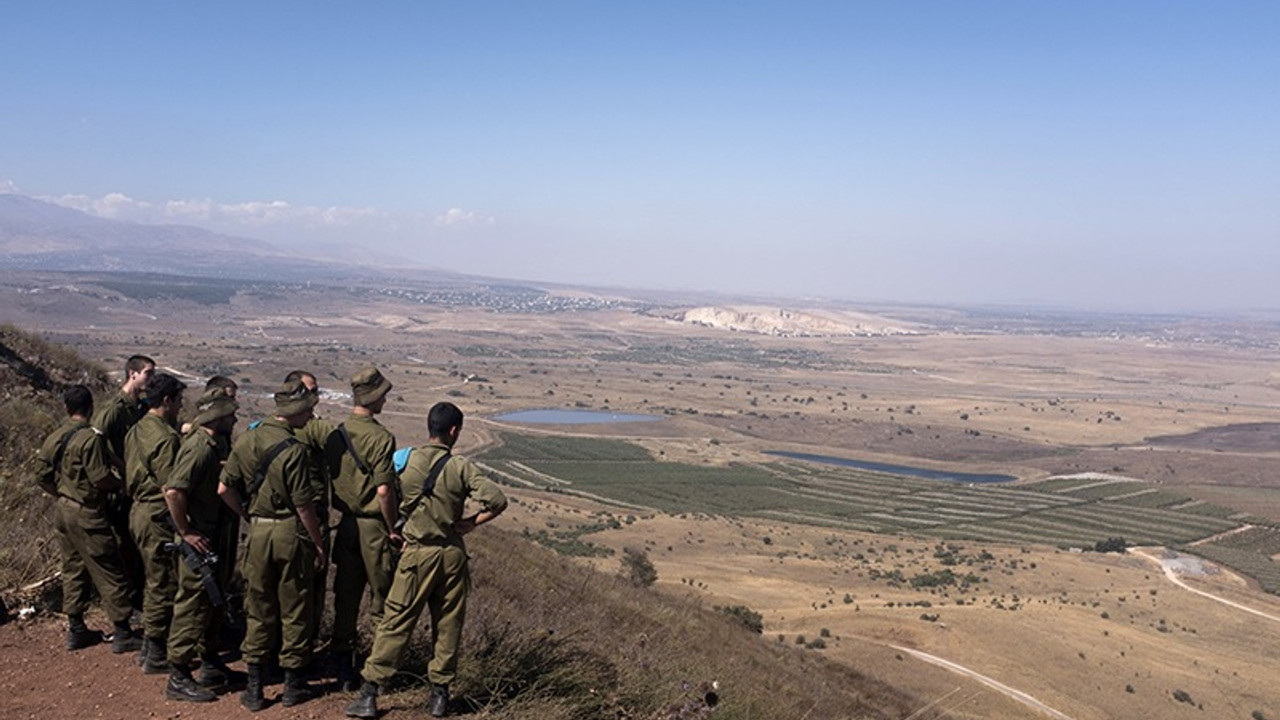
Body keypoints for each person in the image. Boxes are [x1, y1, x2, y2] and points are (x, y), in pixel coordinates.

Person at [345, 402, 507, 719]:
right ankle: (439, 697)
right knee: (447, 625)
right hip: (451, 554)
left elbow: (383, 494)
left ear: (429, 427)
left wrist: (394, 528)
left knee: (396, 621)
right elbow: (497, 500)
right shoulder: (460, 467)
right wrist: (472, 522)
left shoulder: (406, 462)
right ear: (454, 431)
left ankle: (370, 694)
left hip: (417, 552)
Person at [218, 378, 327, 711]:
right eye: (308, 410)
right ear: (293, 412)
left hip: (259, 533)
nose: (311, 416)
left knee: (258, 606)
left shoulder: (247, 439)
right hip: (290, 534)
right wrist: (318, 543)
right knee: (295, 608)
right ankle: (293, 685)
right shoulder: (293, 450)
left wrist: (249, 515)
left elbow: (224, 489)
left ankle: (254, 687)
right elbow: (304, 506)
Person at [35, 385, 143, 654]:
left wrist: (61, 493)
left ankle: (76, 628)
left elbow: (41, 475)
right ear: (90, 407)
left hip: (63, 510)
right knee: (109, 568)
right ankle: (122, 631)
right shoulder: (90, 439)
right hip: (87, 512)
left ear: (67, 408)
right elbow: (99, 478)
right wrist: (119, 486)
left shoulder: (55, 436)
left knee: (73, 567)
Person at [163, 387, 239, 702]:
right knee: (192, 603)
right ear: (217, 416)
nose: (235, 417)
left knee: (211, 601)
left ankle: (210, 662)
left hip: (214, 535)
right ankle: (178, 675)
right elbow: (173, 491)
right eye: (230, 413)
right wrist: (186, 531)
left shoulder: (213, 443)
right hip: (200, 538)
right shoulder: (199, 448)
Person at [325, 367, 399, 691]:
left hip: (346, 526)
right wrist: (393, 526)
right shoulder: (381, 437)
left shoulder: (336, 433)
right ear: (373, 397)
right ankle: (377, 673)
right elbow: (384, 491)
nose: (386, 398)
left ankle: (342, 665)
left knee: (347, 596)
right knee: (382, 600)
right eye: (382, 393)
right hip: (372, 528)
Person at [124, 372, 186, 673]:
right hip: (156, 514)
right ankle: (158, 651)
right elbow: (170, 488)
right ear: (167, 400)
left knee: (152, 579)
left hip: (138, 510)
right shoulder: (165, 438)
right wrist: (184, 528)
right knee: (163, 582)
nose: (180, 407)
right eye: (179, 401)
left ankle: (150, 648)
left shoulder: (136, 430)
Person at [92, 354, 155, 611]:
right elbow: (95, 440)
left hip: (136, 486)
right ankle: (125, 606)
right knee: (125, 548)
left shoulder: (139, 407)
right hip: (121, 488)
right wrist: (118, 466)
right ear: (132, 374)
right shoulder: (114, 409)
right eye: (148, 373)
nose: (151, 378)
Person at [283, 369, 335, 663]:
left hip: (281, 521)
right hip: (308, 518)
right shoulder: (315, 429)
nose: (315, 396)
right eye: (309, 391)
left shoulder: (269, 427)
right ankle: (299, 661)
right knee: (308, 592)